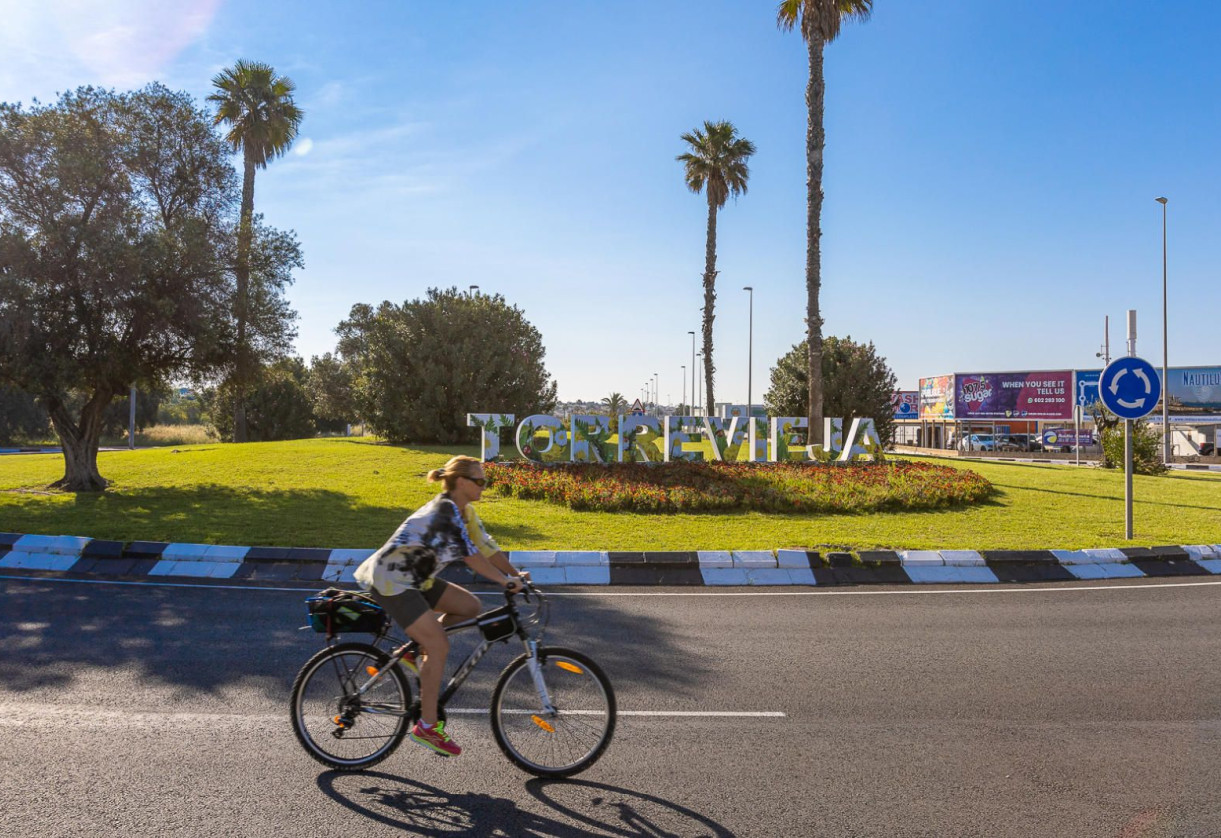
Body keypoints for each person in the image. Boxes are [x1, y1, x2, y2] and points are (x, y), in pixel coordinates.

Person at [354, 455, 526, 757]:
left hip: (417, 577)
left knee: (470, 606)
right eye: (480, 481)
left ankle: (411, 650)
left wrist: (516, 576)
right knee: (439, 645)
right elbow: (472, 558)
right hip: (393, 580)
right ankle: (428, 727)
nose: (484, 487)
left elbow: (487, 549)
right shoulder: (446, 511)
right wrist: (503, 582)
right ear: (461, 482)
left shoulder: (466, 512)